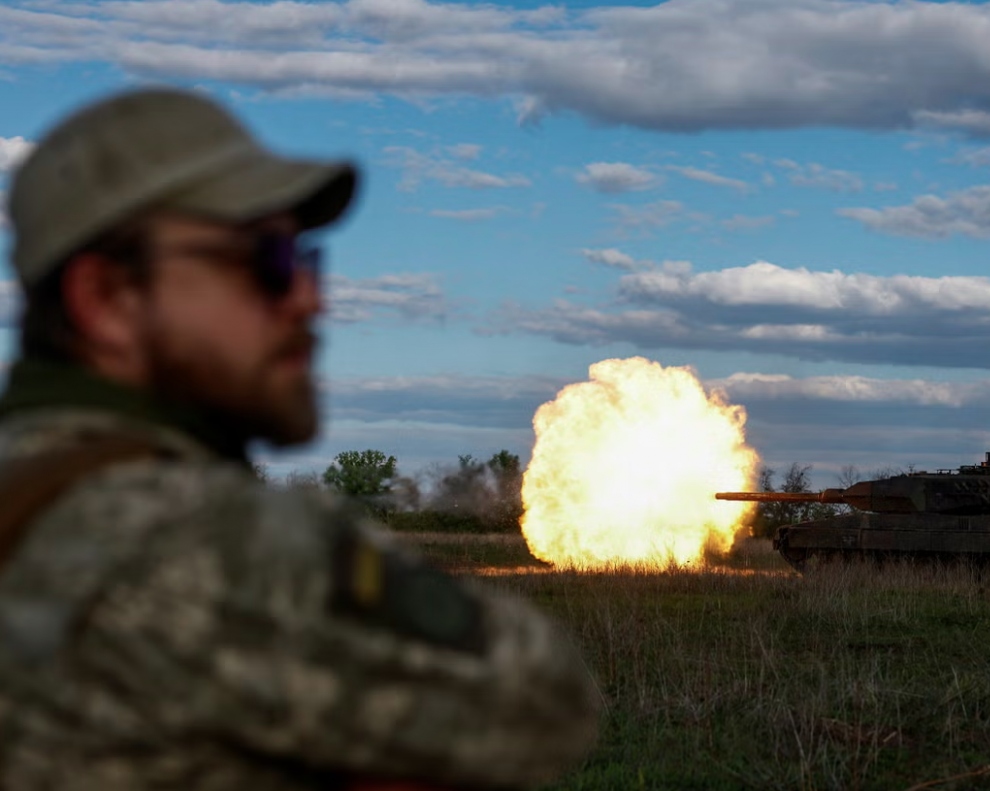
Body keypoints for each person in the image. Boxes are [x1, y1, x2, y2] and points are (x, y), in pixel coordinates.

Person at [0, 87, 601, 790]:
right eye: (265, 260)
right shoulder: (197, 536)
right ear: (104, 298)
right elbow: (543, 700)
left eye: (304, 260)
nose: (309, 297)